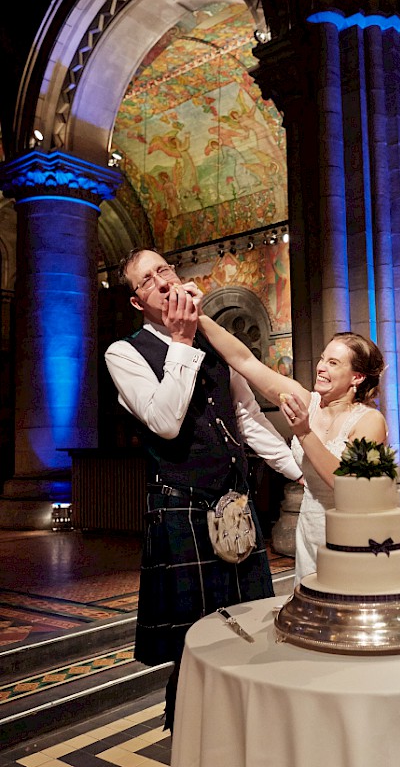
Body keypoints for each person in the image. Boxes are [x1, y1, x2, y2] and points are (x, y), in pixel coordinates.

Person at [104, 248, 302, 731]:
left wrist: (298, 470)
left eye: (165, 270)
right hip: (180, 503)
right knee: (194, 637)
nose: (163, 282)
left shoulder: (216, 340)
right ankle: (196, 731)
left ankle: (250, 723)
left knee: (250, 619)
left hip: (234, 499)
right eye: (148, 280)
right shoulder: (124, 353)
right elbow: (166, 421)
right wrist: (180, 343)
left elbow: (246, 418)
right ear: (137, 301)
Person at [195, 309, 388, 586]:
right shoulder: (306, 400)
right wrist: (199, 316)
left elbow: (345, 482)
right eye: (322, 358)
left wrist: (304, 432)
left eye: (333, 363)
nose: (321, 367)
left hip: (352, 533)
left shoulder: (370, 421)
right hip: (310, 527)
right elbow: (245, 361)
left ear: (356, 377)